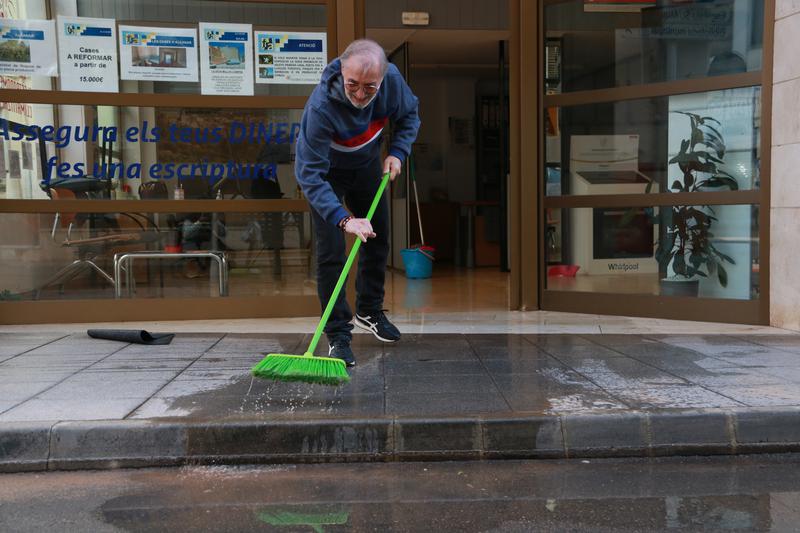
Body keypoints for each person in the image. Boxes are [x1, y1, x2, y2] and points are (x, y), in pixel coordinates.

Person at [295, 39, 421, 367]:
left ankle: (369, 311)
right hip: (327, 173)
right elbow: (310, 176)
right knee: (332, 253)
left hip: (366, 164)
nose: (361, 94)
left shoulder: (392, 83)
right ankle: (338, 333)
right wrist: (345, 219)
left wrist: (397, 152)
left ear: (383, 78)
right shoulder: (322, 107)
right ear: (341, 72)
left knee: (378, 238)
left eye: (370, 87)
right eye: (353, 85)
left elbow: (409, 116)